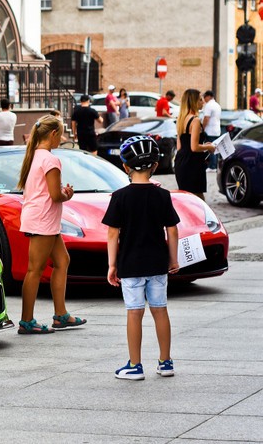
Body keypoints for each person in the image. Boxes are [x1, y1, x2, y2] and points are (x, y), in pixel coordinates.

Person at [103, 135, 180, 380]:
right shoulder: (162, 195)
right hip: (157, 263)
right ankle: (165, 361)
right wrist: (173, 259)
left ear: (125, 166)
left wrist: (112, 264)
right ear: (155, 165)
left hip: (131, 264)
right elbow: (173, 229)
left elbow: (112, 233)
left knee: (134, 312)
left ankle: (135, 365)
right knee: (160, 310)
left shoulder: (120, 197)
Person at [16, 115, 83, 334]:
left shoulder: (35, 155)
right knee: (34, 270)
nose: (62, 138)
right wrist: (67, 194)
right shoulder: (51, 160)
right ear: (53, 134)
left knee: (62, 260)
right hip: (43, 220)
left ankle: (61, 315)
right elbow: (55, 195)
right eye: (61, 134)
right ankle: (27, 321)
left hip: (41, 218)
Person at [174, 89, 215, 200]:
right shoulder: (195, 120)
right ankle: (205, 218)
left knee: (187, 198)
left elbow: (180, 147)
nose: (203, 102)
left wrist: (203, 145)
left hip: (181, 162)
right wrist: (209, 147)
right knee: (199, 200)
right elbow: (194, 147)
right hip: (193, 164)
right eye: (200, 100)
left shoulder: (181, 119)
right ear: (194, 101)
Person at [201, 90, 221, 172]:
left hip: (210, 130)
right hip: (216, 130)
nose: (204, 99)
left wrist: (202, 128)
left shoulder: (209, 105)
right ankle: (215, 165)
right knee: (215, 148)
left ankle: (212, 166)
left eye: (204, 97)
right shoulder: (217, 105)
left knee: (211, 148)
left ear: (209, 96)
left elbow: (206, 118)